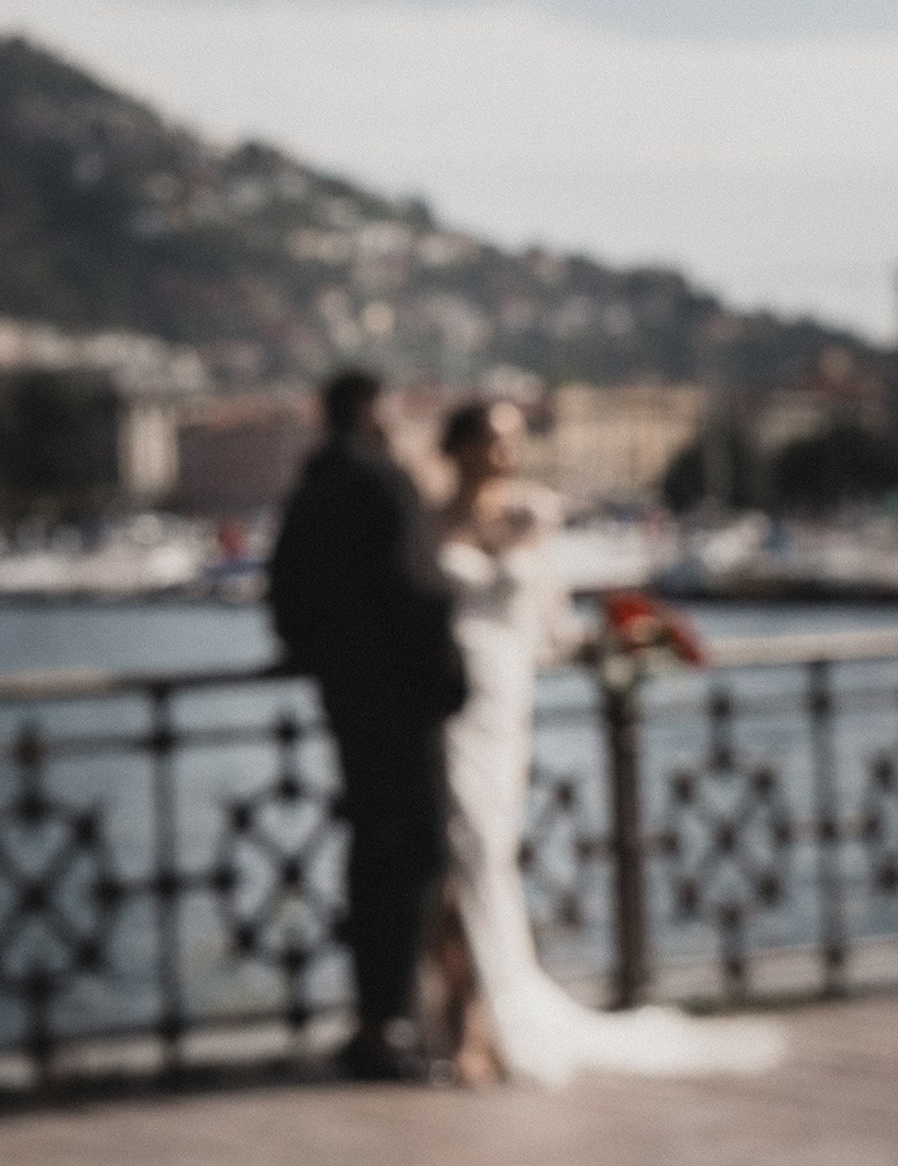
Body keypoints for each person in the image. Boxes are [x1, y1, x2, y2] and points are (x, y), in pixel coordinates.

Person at [433, 398, 784, 1087]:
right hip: (446, 705)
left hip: (505, 703)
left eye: (514, 439)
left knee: (488, 850)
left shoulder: (533, 516)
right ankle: (466, 1020)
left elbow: (554, 625)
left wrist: (624, 638)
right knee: (462, 852)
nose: (506, 451)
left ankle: (486, 1016)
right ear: (462, 445)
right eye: (493, 438)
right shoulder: (429, 520)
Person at [268, 368, 470, 1080]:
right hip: (404, 702)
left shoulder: (311, 488)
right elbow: (417, 588)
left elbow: (284, 595)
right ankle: (394, 1021)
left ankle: (375, 1021)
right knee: (417, 854)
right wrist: (447, 679)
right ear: (370, 410)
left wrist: (329, 665)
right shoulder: (383, 483)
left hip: (349, 701)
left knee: (371, 854)